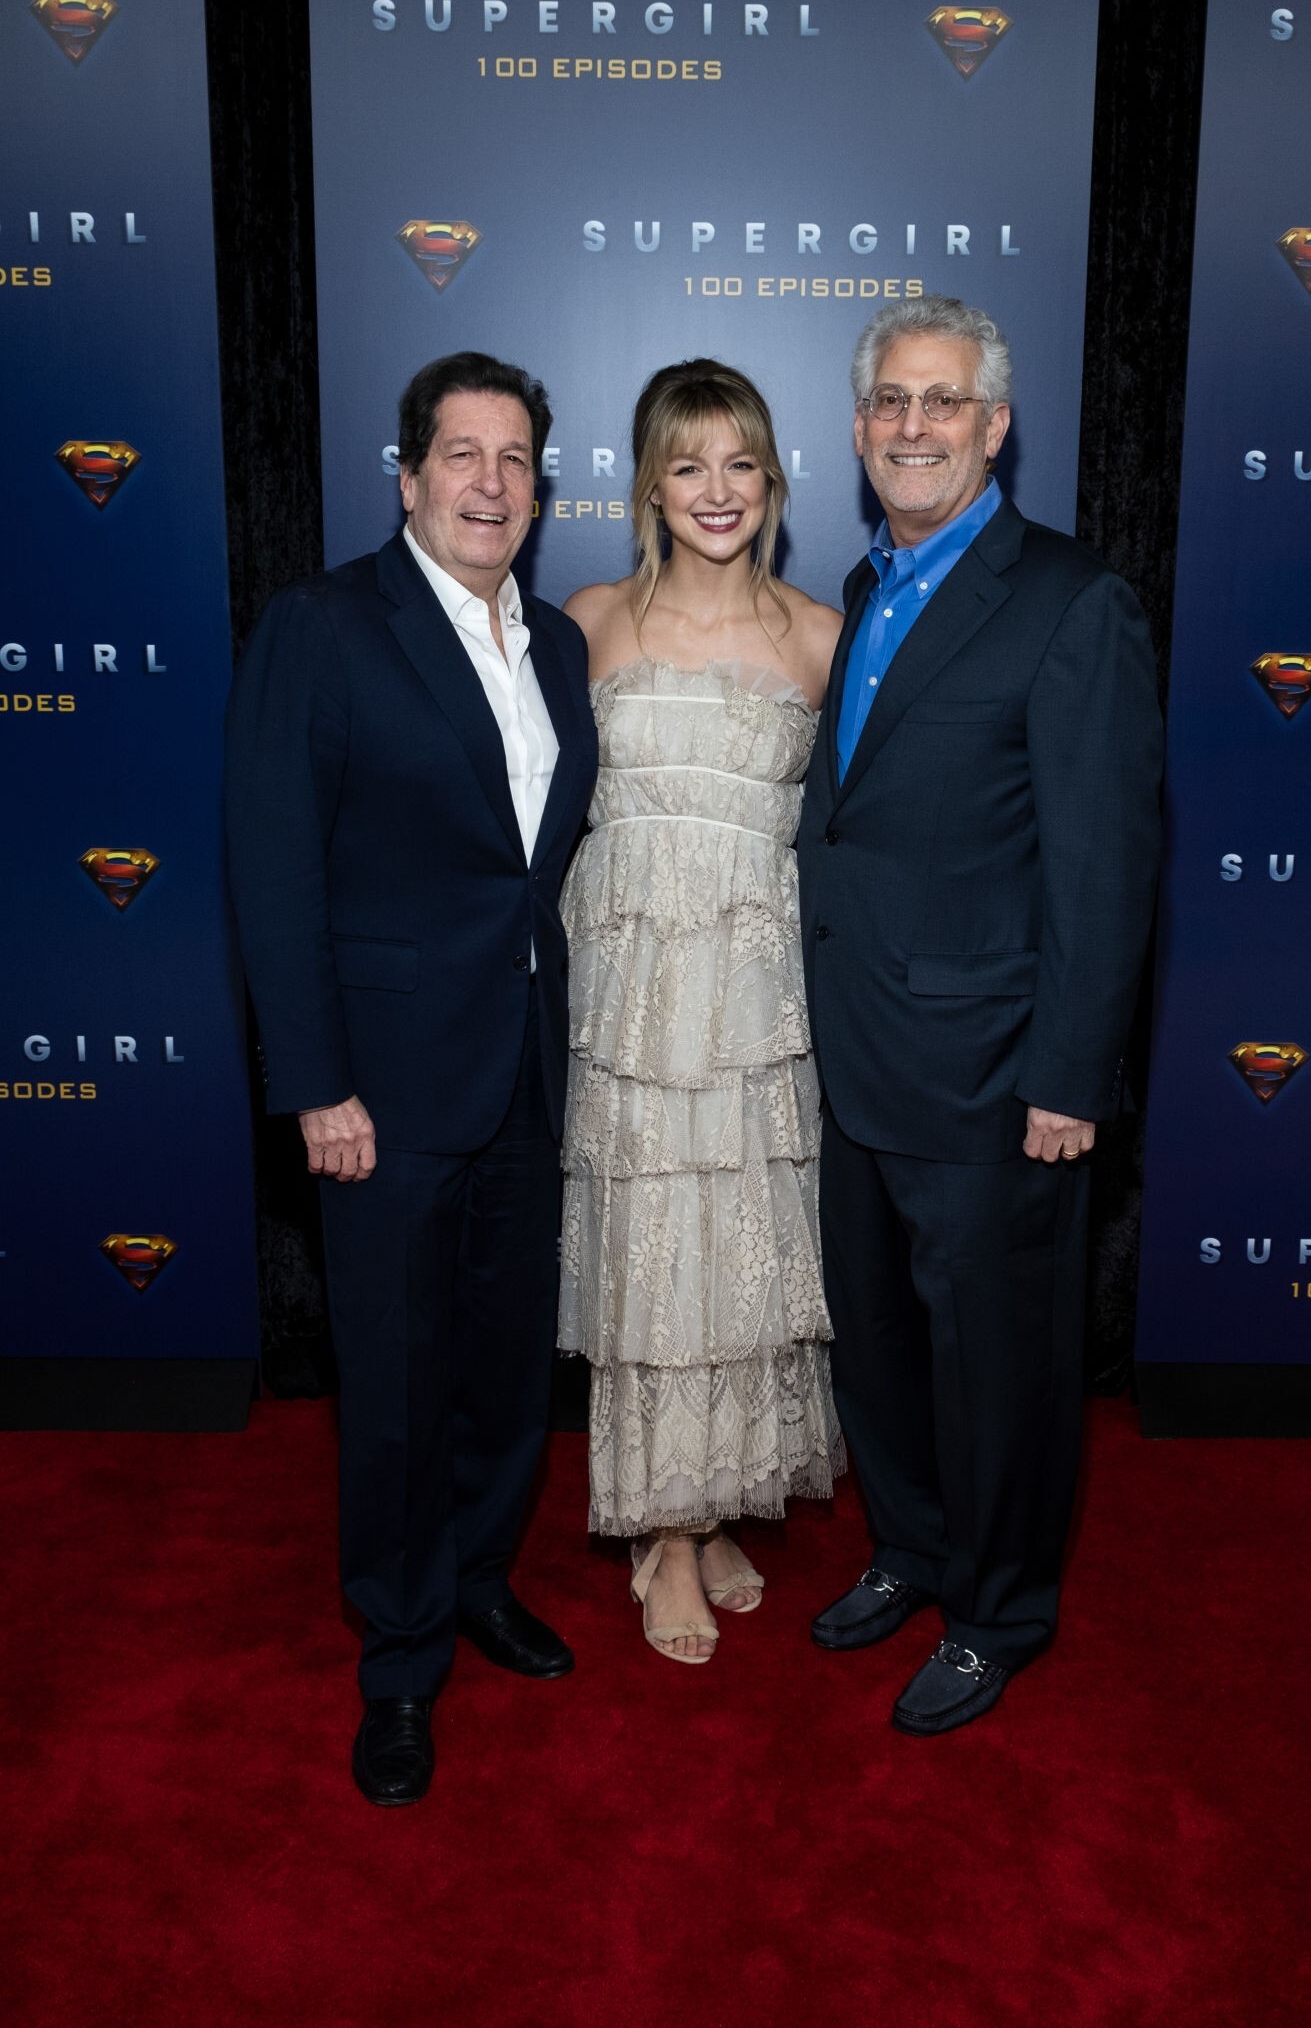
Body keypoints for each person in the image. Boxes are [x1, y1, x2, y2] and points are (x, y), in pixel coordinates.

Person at [224, 351, 599, 1802]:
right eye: (462, 455)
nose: (489, 483)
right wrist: (318, 1085)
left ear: (538, 490)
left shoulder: (554, 645)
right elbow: (275, 871)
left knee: (505, 1368)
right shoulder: (324, 626)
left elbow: (530, 874)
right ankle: (397, 1658)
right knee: (390, 1383)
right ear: (408, 478)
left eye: (514, 460)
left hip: (524, 1071)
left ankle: (480, 1580)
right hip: (379, 1089)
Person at [797, 296, 1163, 1734]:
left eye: (941, 401)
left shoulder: (1072, 600)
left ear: (995, 426)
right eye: (890, 400)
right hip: (857, 1052)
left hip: (996, 1071)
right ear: (857, 426)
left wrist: (1070, 1075)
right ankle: (912, 1548)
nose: (913, 426)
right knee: (880, 1341)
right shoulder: (868, 584)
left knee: (999, 1366)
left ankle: (998, 1610)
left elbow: (1103, 863)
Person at [558, 359, 845, 1663]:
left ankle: (714, 1501)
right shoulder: (590, 623)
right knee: (651, 1252)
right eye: (687, 465)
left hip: (755, 1005)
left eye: (739, 464)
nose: (715, 491)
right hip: (627, 1005)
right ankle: (664, 1540)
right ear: (650, 485)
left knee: (739, 1255)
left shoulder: (819, 638)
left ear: (772, 480)